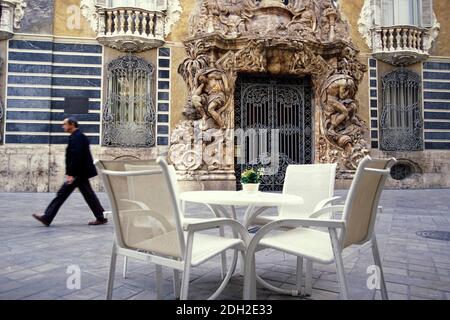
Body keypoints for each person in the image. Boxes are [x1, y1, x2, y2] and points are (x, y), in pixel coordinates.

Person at [32, 117, 107, 227]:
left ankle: (47, 217)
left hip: (78, 173)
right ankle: (101, 217)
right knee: (89, 195)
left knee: (62, 194)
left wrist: (71, 174)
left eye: (65, 124)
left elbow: (77, 157)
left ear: (72, 124)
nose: (63, 126)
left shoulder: (78, 138)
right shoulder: (77, 136)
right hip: (80, 173)